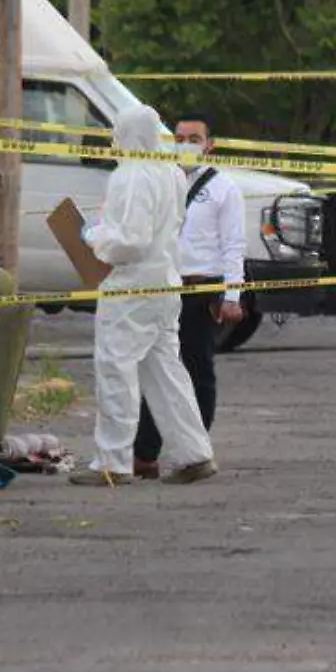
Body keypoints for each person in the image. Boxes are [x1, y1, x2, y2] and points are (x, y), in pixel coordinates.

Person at [76, 105, 218, 487]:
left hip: (131, 287)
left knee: (115, 369)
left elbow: (131, 242)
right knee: (166, 372)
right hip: (165, 284)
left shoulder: (130, 175)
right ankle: (194, 454)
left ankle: (113, 462)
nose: (112, 141)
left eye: (116, 133)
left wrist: (94, 236)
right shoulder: (171, 172)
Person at [132, 114, 245, 480]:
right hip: (164, 286)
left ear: (209, 145)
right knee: (155, 369)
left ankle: (198, 448)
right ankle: (144, 453)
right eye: (179, 137)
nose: (185, 144)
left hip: (202, 289)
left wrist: (232, 294)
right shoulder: (161, 180)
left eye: (194, 138)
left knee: (197, 370)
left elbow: (233, 245)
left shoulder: (224, 188)